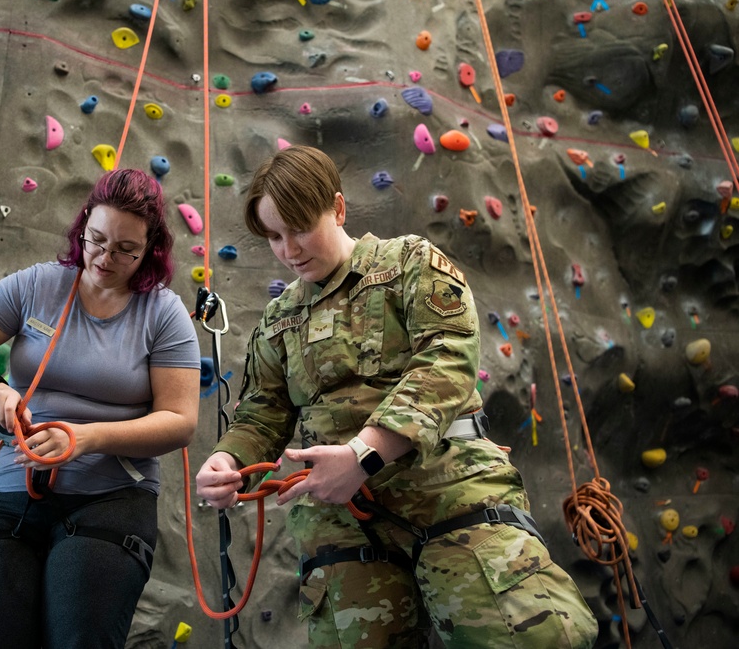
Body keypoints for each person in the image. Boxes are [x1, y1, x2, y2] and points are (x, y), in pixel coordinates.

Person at [196, 146, 597, 649]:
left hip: (449, 492)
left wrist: (363, 455)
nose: (288, 249)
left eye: (299, 228)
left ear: (338, 209)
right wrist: (228, 458)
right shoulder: (278, 320)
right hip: (342, 528)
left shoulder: (408, 264)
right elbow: (263, 413)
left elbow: (448, 357)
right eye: (273, 236)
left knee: (530, 639)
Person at [0, 169, 201, 649]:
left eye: (125, 250)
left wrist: (88, 438)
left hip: (110, 495)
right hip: (5, 488)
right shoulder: (39, 285)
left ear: (150, 248)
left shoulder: (163, 313)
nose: (105, 258)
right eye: (96, 240)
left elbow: (180, 422)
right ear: (84, 223)